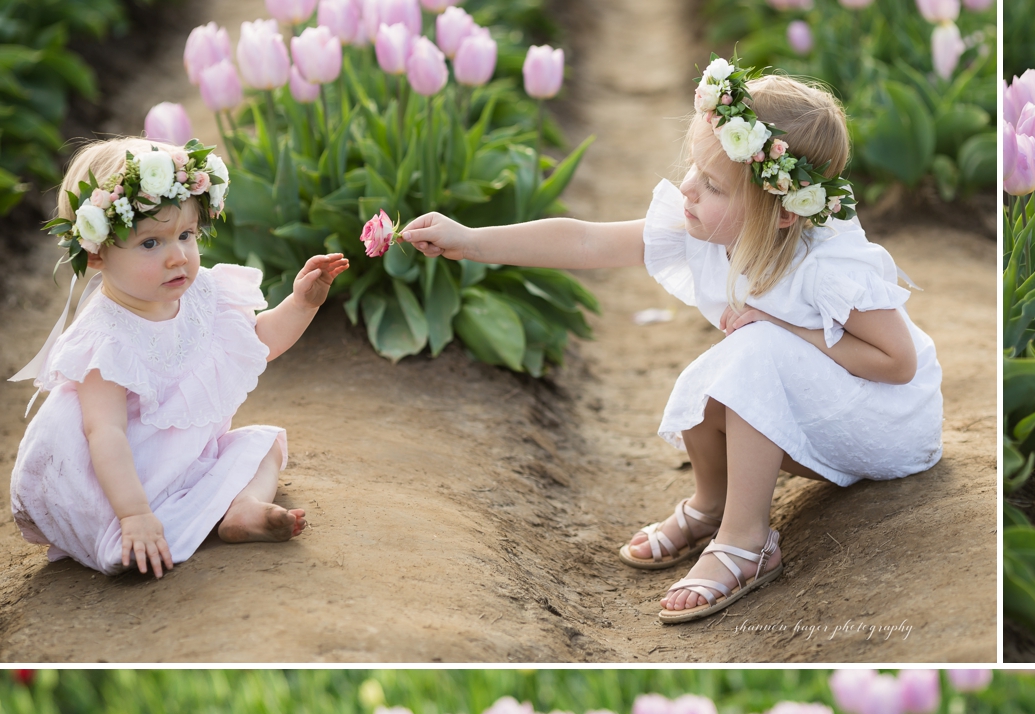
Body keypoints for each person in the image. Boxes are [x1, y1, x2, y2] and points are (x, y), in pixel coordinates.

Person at [403, 61, 943, 626]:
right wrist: (470, 240)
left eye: (712, 185)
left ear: (783, 211)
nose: (687, 188)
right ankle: (712, 505)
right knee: (719, 373)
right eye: (694, 167)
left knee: (752, 354)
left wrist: (784, 327)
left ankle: (747, 541)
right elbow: (588, 242)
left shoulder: (830, 264)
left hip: (887, 424)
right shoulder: (710, 227)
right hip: (817, 398)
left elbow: (896, 362)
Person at [9, 136, 346, 575]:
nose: (178, 258)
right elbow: (105, 434)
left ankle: (243, 508)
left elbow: (259, 340)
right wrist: (134, 515)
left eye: (186, 235)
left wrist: (302, 303)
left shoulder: (203, 293)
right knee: (142, 523)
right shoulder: (105, 339)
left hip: (185, 460)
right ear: (96, 254)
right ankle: (160, 520)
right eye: (151, 244)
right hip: (124, 481)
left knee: (264, 446)